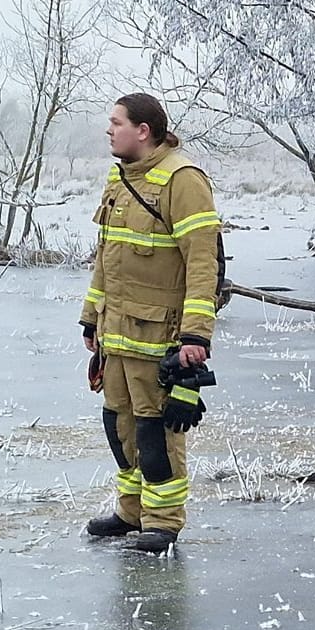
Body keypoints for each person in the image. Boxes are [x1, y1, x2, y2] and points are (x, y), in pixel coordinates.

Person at [80, 92, 224, 553]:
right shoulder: (119, 180)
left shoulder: (182, 180)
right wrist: (90, 319)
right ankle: (131, 511)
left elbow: (203, 264)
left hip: (159, 338)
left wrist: (196, 336)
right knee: (119, 428)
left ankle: (163, 522)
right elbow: (107, 256)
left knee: (156, 432)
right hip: (116, 333)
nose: (109, 130)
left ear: (143, 131)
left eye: (116, 122)